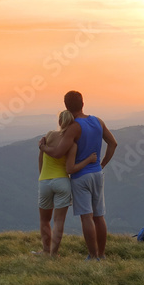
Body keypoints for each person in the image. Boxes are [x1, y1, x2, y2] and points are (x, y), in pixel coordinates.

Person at [40, 91, 118, 260]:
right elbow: (113, 143)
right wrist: (102, 163)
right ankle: (102, 256)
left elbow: (58, 152)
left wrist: (44, 148)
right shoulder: (98, 121)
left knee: (86, 217)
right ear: (83, 103)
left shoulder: (74, 127)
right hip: (97, 173)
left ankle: (92, 255)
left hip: (80, 176)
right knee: (99, 216)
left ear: (66, 106)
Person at [37, 110, 100, 257]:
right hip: (63, 182)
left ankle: (45, 250)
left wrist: (43, 176)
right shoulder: (72, 144)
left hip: (44, 181)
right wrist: (88, 160)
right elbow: (70, 169)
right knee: (58, 222)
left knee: (44, 219)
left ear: (59, 121)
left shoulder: (49, 135)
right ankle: (54, 254)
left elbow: (41, 157)